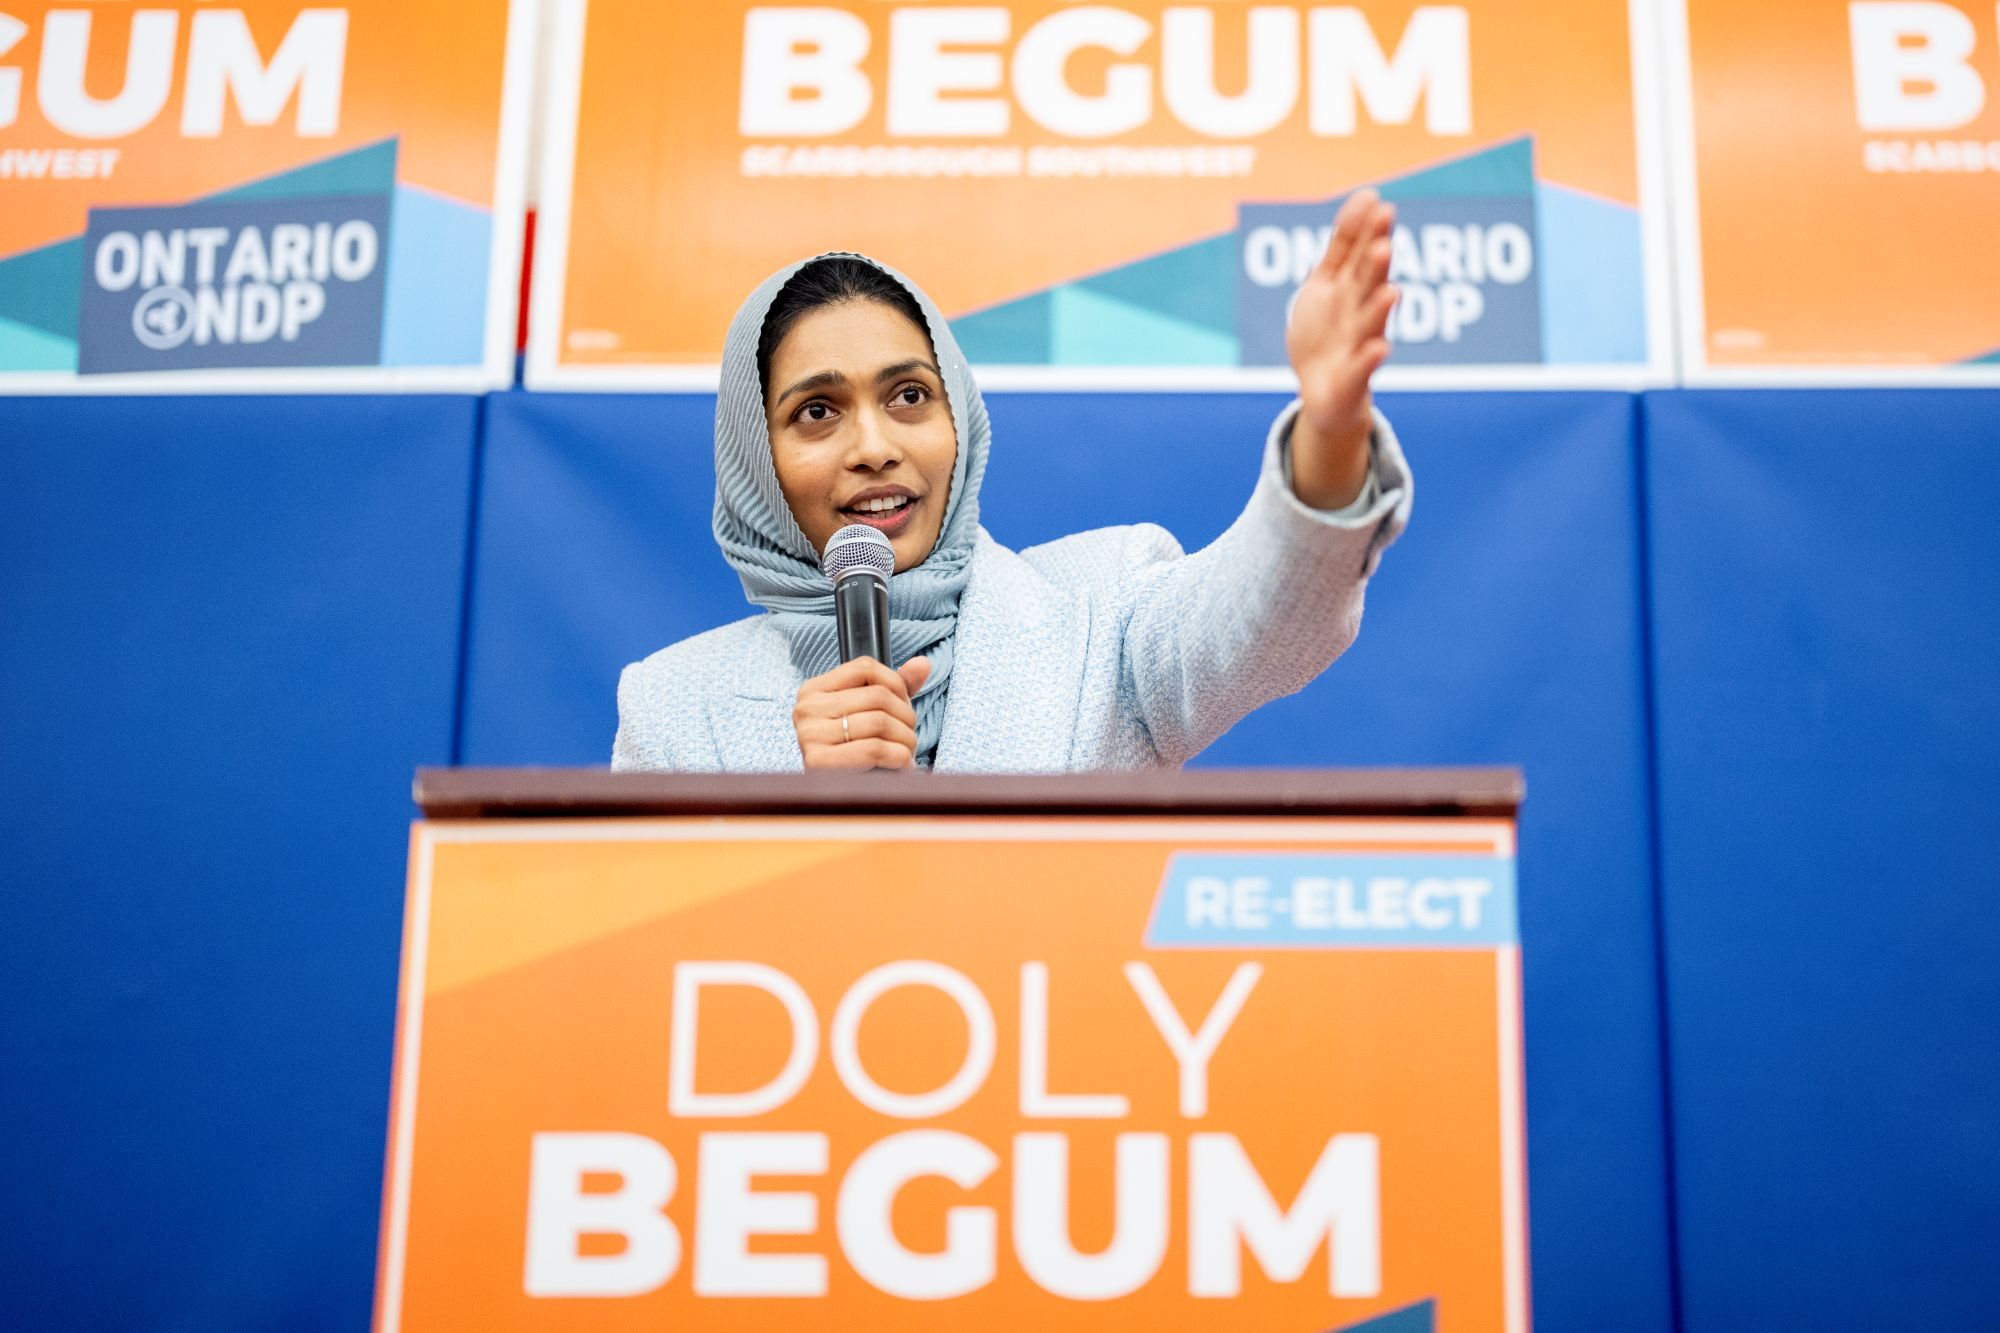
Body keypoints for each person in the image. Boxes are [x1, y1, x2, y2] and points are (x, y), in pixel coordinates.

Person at [613, 190, 1412, 773]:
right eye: (818, 411)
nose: (874, 446)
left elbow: (1271, 617)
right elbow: (653, 977)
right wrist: (789, 807)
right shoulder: (672, 711)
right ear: (756, 461)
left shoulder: (1103, 614)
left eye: (910, 397)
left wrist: (1331, 429)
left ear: (960, 419)